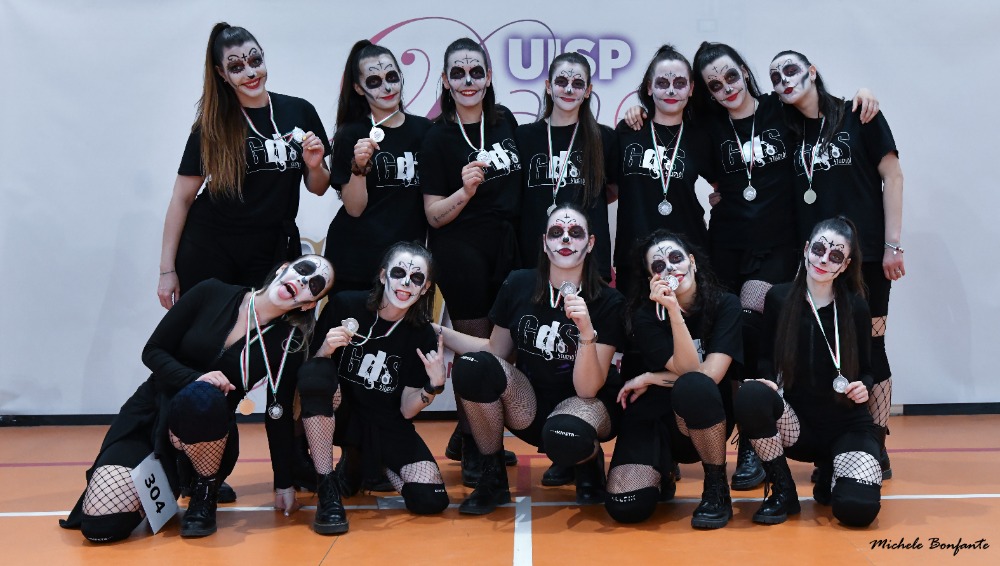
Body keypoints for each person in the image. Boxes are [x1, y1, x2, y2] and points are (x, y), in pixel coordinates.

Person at [624, 42, 880, 491]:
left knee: (751, 320)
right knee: (728, 333)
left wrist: (860, 93)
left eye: (731, 76)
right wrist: (637, 111)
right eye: (714, 84)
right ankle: (702, 436)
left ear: (745, 71)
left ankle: (751, 442)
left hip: (777, 244)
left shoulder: (779, 111)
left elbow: (821, 107)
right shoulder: (708, 127)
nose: (725, 87)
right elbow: (675, 149)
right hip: (725, 245)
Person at [61, 255, 335, 542]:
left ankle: (204, 490)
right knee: (101, 525)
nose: (304, 280)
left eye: (315, 285)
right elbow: (152, 351)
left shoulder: (289, 342)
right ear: (283, 269)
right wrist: (194, 378)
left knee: (202, 398)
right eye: (303, 270)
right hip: (150, 413)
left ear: (308, 304)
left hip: (207, 434)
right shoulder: (211, 291)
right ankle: (155, 484)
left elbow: (277, 413)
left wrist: (284, 484)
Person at [437, 203, 626, 514]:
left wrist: (586, 332)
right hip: (531, 403)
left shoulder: (608, 301)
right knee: (473, 367)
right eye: (557, 232)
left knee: (567, 434)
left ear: (591, 243)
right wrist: (437, 332)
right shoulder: (519, 283)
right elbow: (495, 352)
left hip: (587, 406)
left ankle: (588, 462)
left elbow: (588, 388)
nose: (566, 239)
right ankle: (492, 476)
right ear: (544, 243)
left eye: (575, 232)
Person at [770, 50, 903, 479]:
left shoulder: (858, 114)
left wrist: (893, 246)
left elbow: (893, 176)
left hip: (865, 259)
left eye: (791, 69)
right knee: (824, 348)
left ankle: (874, 440)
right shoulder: (788, 128)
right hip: (817, 263)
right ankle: (831, 443)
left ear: (812, 71)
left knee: (873, 346)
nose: (784, 79)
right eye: (775, 76)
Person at [158, 23, 331, 308]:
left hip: (270, 250)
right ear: (221, 73)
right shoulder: (213, 125)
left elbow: (319, 187)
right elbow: (182, 197)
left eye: (255, 60)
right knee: (209, 332)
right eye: (236, 67)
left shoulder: (300, 111)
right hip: (211, 247)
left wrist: (313, 166)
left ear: (263, 56)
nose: (250, 73)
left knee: (261, 332)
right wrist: (167, 271)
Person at [420, 37, 523, 483]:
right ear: (445, 80)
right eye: (458, 73)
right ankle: (478, 448)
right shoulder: (437, 136)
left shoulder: (505, 120)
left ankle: (470, 434)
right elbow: (432, 215)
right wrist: (464, 191)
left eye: (476, 72)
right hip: (462, 251)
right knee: (476, 348)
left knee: (507, 348)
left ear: (489, 77)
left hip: (509, 247)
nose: (468, 80)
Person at [735, 217, 882, 528]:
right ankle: (783, 490)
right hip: (797, 425)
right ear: (806, 249)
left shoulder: (856, 306)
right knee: (750, 395)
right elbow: (765, 359)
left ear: (845, 265)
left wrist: (863, 386)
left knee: (857, 510)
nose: (824, 260)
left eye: (836, 256)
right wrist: (767, 382)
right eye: (818, 249)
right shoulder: (778, 298)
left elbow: (868, 370)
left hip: (846, 425)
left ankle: (832, 470)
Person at [298, 242, 449, 535]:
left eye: (417, 278)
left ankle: (368, 462)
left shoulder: (423, 334)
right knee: (317, 373)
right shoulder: (345, 305)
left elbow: (407, 410)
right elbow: (309, 375)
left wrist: (433, 385)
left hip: (384, 422)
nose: (406, 283)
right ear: (383, 275)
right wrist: (325, 350)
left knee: (430, 499)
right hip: (341, 412)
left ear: (425, 288)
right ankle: (327, 486)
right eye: (398, 273)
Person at [605, 230, 742, 528]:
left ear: (692, 261)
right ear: (651, 278)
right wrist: (671, 308)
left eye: (676, 258)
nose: (670, 267)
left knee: (695, 387)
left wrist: (652, 377)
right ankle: (661, 471)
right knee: (626, 507)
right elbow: (690, 368)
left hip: (702, 417)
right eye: (658, 265)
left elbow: (707, 377)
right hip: (653, 415)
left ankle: (716, 485)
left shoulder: (725, 304)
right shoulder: (643, 315)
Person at [324, 40, 431, 296]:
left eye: (392, 76)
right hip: (356, 259)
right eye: (374, 81)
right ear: (358, 88)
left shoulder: (426, 130)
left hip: (405, 263)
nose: (387, 87)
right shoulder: (351, 134)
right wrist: (359, 168)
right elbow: (354, 208)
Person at [613, 45, 714, 301]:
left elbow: (725, 185)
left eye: (679, 83)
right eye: (662, 83)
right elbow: (610, 187)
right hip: (634, 254)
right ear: (649, 87)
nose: (670, 90)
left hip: (685, 255)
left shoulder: (700, 137)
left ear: (691, 89)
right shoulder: (628, 131)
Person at [516, 52, 617, 280]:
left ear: (588, 91)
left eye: (578, 84)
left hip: (590, 260)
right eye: (561, 82)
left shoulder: (605, 138)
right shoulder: (524, 136)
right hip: (536, 256)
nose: (569, 89)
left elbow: (613, 190)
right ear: (548, 86)